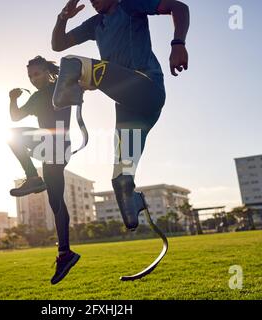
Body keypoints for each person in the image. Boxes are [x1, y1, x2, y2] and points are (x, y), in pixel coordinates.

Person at [51, 0, 189, 230]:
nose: (93, 1)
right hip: (130, 108)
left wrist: (178, 44)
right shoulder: (96, 24)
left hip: (147, 87)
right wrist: (63, 17)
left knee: (72, 65)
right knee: (122, 176)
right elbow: (58, 44)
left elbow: (179, 7)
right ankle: (131, 206)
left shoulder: (129, 6)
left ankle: (70, 91)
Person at [8, 56, 80, 285]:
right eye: (30, 76)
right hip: (50, 149)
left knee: (12, 135)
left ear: (48, 72)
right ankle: (65, 253)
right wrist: (12, 99)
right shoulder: (37, 97)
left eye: (37, 73)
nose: (33, 79)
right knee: (55, 200)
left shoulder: (62, 86)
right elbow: (16, 116)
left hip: (58, 141)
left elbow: (84, 80)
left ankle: (32, 178)